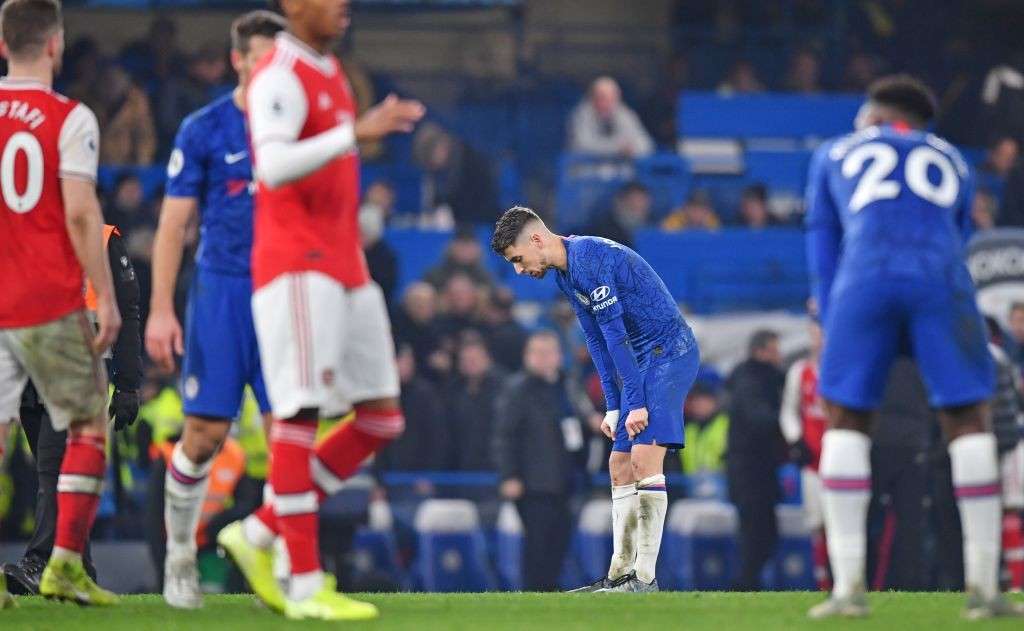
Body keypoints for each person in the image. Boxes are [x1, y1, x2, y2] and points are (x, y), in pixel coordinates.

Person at [213, 0, 425, 621]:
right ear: (295, 6)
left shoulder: (330, 69)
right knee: (299, 412)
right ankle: (304, 583)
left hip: (345, 263)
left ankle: (258, 533)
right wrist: (352, 133)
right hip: (298, 264)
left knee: (382, 417)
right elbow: (273, 166)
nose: (345, 6)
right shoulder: (279, 72)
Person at [805, 74, 1022, 618]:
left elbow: (823, 241)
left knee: (846, 420)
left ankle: (847, 588)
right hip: (940, 280)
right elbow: (957, 234)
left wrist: (834, 319)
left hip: (864, 278)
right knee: (969, 423)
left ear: (875, 116)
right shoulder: (953, 158)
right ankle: (983, 589)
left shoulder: (836, 152)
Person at [143, 10, 286, 610]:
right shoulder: (205, 128)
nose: (269, 70)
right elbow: (174, 224)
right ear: (237, 59)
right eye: (258, 59)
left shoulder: (297, 127)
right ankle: (179, 555)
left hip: (284, 292)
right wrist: (160, 311)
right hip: (222, 290)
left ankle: (279, 561)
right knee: (202, 434)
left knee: (290, 437)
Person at [491, 205, 701, 592]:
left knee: (642, 460)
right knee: (619, 464)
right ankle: (620, 574)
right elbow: (597, 342)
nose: (519, 270)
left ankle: (645, 579)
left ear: (537, 240)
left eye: (518, 259)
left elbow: (616, 336)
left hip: (669, 353)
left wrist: (635, 402)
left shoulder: (590, 260)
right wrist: (615, 405)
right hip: (641, 361)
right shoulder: (566, 275)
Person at [0, 0, 121, 606]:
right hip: (47, 302)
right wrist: (110, 298)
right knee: (86, 426)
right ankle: (66, 565)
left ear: (2, 44)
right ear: (55, 45)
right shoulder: (70, 118)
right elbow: (79, 211)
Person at [3, 223, 141, 595]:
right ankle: (78, 569)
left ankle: (39, 561)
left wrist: (128, 382)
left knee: (54, 468)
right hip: (30, 369)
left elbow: (127, 309)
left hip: (78, 363)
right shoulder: (26, 233)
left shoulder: (103, 237)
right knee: (54, 472)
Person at [493, 330, 589, 591]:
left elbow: (577, 426)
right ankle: (534, 594)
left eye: (549, 353)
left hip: (566, 480)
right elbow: (505, 435)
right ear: (527, 356)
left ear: (559, 356)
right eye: (538, 353)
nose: (544, 359)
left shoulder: (567, 386)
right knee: (537, 547)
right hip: (534, 482)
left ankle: (550, 593)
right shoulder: (517, 389)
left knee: (559, 543)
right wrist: (510, 475)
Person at [726, 329, 785, 591]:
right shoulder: (751, 381)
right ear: (759, 351)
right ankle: (746, 583)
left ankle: (749, 582)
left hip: (758, 469)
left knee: (764, 531)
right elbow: (759, 419)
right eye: (774, 350)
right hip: (750, 471)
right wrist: (786, 421)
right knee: (756, 531)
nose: (778, 356)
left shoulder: (758, 378)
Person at [779, 318, 830, 590]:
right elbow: (789, 410)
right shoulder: (801, 372)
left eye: (822, 335)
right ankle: (823, 581)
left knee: (842, 523)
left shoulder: (842, 371)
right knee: (816, 523)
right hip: (813, 463)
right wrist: (796, 439)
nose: (818, 341)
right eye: (814, 335)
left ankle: (848, 579)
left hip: (841, 462)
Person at [567, 76, 654, 159]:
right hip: (587, 169)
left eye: (611, 98)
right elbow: (582, 145)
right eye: (602, 98)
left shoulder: (624, 114)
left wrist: (632, 148)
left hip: (617, 169)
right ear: (592, 97)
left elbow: (646, 145)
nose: (606, 103)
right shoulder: (581, 114)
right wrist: (617, 147)